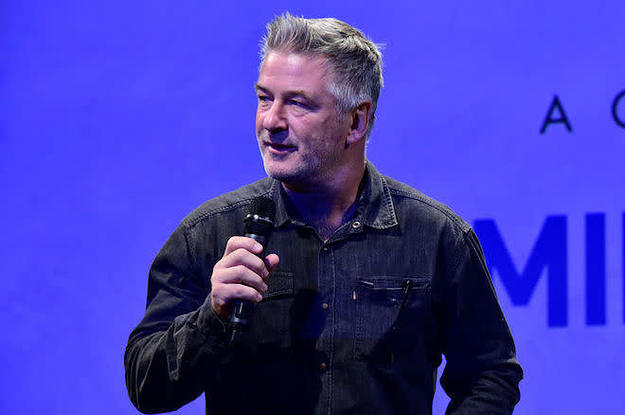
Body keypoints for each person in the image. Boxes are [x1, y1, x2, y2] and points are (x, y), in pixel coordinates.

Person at [125, 13, 523, 415]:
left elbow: (490, 375)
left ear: (356, 121)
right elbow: (146, 386)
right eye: (265, 98)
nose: (271, 121)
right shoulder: (209, 233)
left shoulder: (436, 237)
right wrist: (212, 316)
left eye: (297, 103)